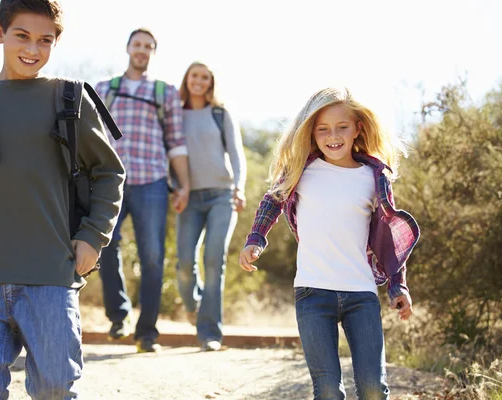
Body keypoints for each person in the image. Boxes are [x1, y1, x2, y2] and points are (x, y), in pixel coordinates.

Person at [0, 0, 126, 398]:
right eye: (22, 35)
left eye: (45, 40)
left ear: (57, 41)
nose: (33, 49)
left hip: (51, 276)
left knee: (57, 388)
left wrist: (93, 237)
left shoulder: (70, 100)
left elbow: (109, 173)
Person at [238, 87, 420, 400]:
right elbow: (273, 201)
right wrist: (256, 238)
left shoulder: (373, 177)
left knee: (373, 389)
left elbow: (387, 239)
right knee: (327, 392)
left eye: (342, 127)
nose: (332, 136)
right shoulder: (302, 170)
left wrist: (397, 287)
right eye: (323, 129)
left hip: (360, 294)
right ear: (312, 131)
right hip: (312, 292)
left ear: (357, 128)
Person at [95, 28, 190, 352]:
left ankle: (146, 333)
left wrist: (184, 184)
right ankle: (119, 317)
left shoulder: (165, 92)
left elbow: (176, 142)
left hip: (151, 181)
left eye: (148, 46)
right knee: (105, 246)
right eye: (137, 44)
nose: (142, 50)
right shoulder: (104, 89)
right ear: (127, 48)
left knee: (153, 258)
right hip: (110, 180)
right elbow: (91, 139)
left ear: (153, 52)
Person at [175, 62, 247, 351]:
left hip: (221, 195)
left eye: (205, 77)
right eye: (195, 76)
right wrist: (175, 187)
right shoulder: (175, 115)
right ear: (187, 79)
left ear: (210, 82)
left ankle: (210, 333)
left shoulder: (221, 113)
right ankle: (194, 306)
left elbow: (236, 153)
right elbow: (171, 153)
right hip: (189, 198)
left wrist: (239, 187)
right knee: (183, 263)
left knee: (214, 261)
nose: (199, 81)